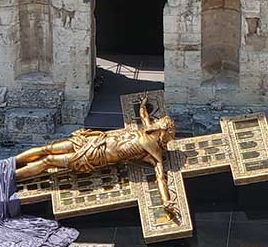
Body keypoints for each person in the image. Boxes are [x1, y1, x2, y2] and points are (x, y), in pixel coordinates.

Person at [14, 93, 180, 219]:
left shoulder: (154, 154)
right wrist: (143, 102)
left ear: (163, 131)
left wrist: (166, 201)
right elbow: (144, 114)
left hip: (97, 156)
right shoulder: (147, 129)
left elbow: (161, 178)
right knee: (47, 148)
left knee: (48, 161)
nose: (157, 122)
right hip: (96, 139)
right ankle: (10, 163)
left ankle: (11, 176)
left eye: (160, 123)